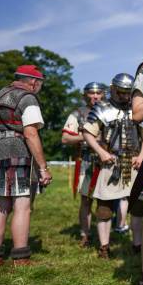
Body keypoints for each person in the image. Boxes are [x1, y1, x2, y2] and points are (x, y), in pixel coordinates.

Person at [0, 65, 52, 266]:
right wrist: (43, 167)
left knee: (1, 205)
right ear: (33, 82)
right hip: (19, 153)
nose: (39, 87)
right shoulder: (27, 98)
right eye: (39, 83)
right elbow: (30, 134)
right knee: (22, 206)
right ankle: (20, 257)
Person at [83, 73, 143, 258]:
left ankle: (137, 245)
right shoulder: (102, 109)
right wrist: (101, 152)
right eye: (121, 93)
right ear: (113, 90)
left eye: (128, 93)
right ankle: (104, 247)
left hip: (134, 165)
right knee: (104, 208)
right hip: (111, 164)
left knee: (138, 208)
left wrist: (142, 155)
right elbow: (87, 132)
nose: (125, 97)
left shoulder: (137, 109)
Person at [62, 82, 106, 247]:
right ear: (85, 95)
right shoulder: (78, 114)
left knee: (106, 201)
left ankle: (108, 235)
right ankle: (85, 234)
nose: (95, 96)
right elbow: (65, 138)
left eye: (98, 93)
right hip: (87, 161)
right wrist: (88, 137)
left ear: (103, 94)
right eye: (91, 93)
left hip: (108, 161)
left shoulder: (110, 111)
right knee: (86, 200)